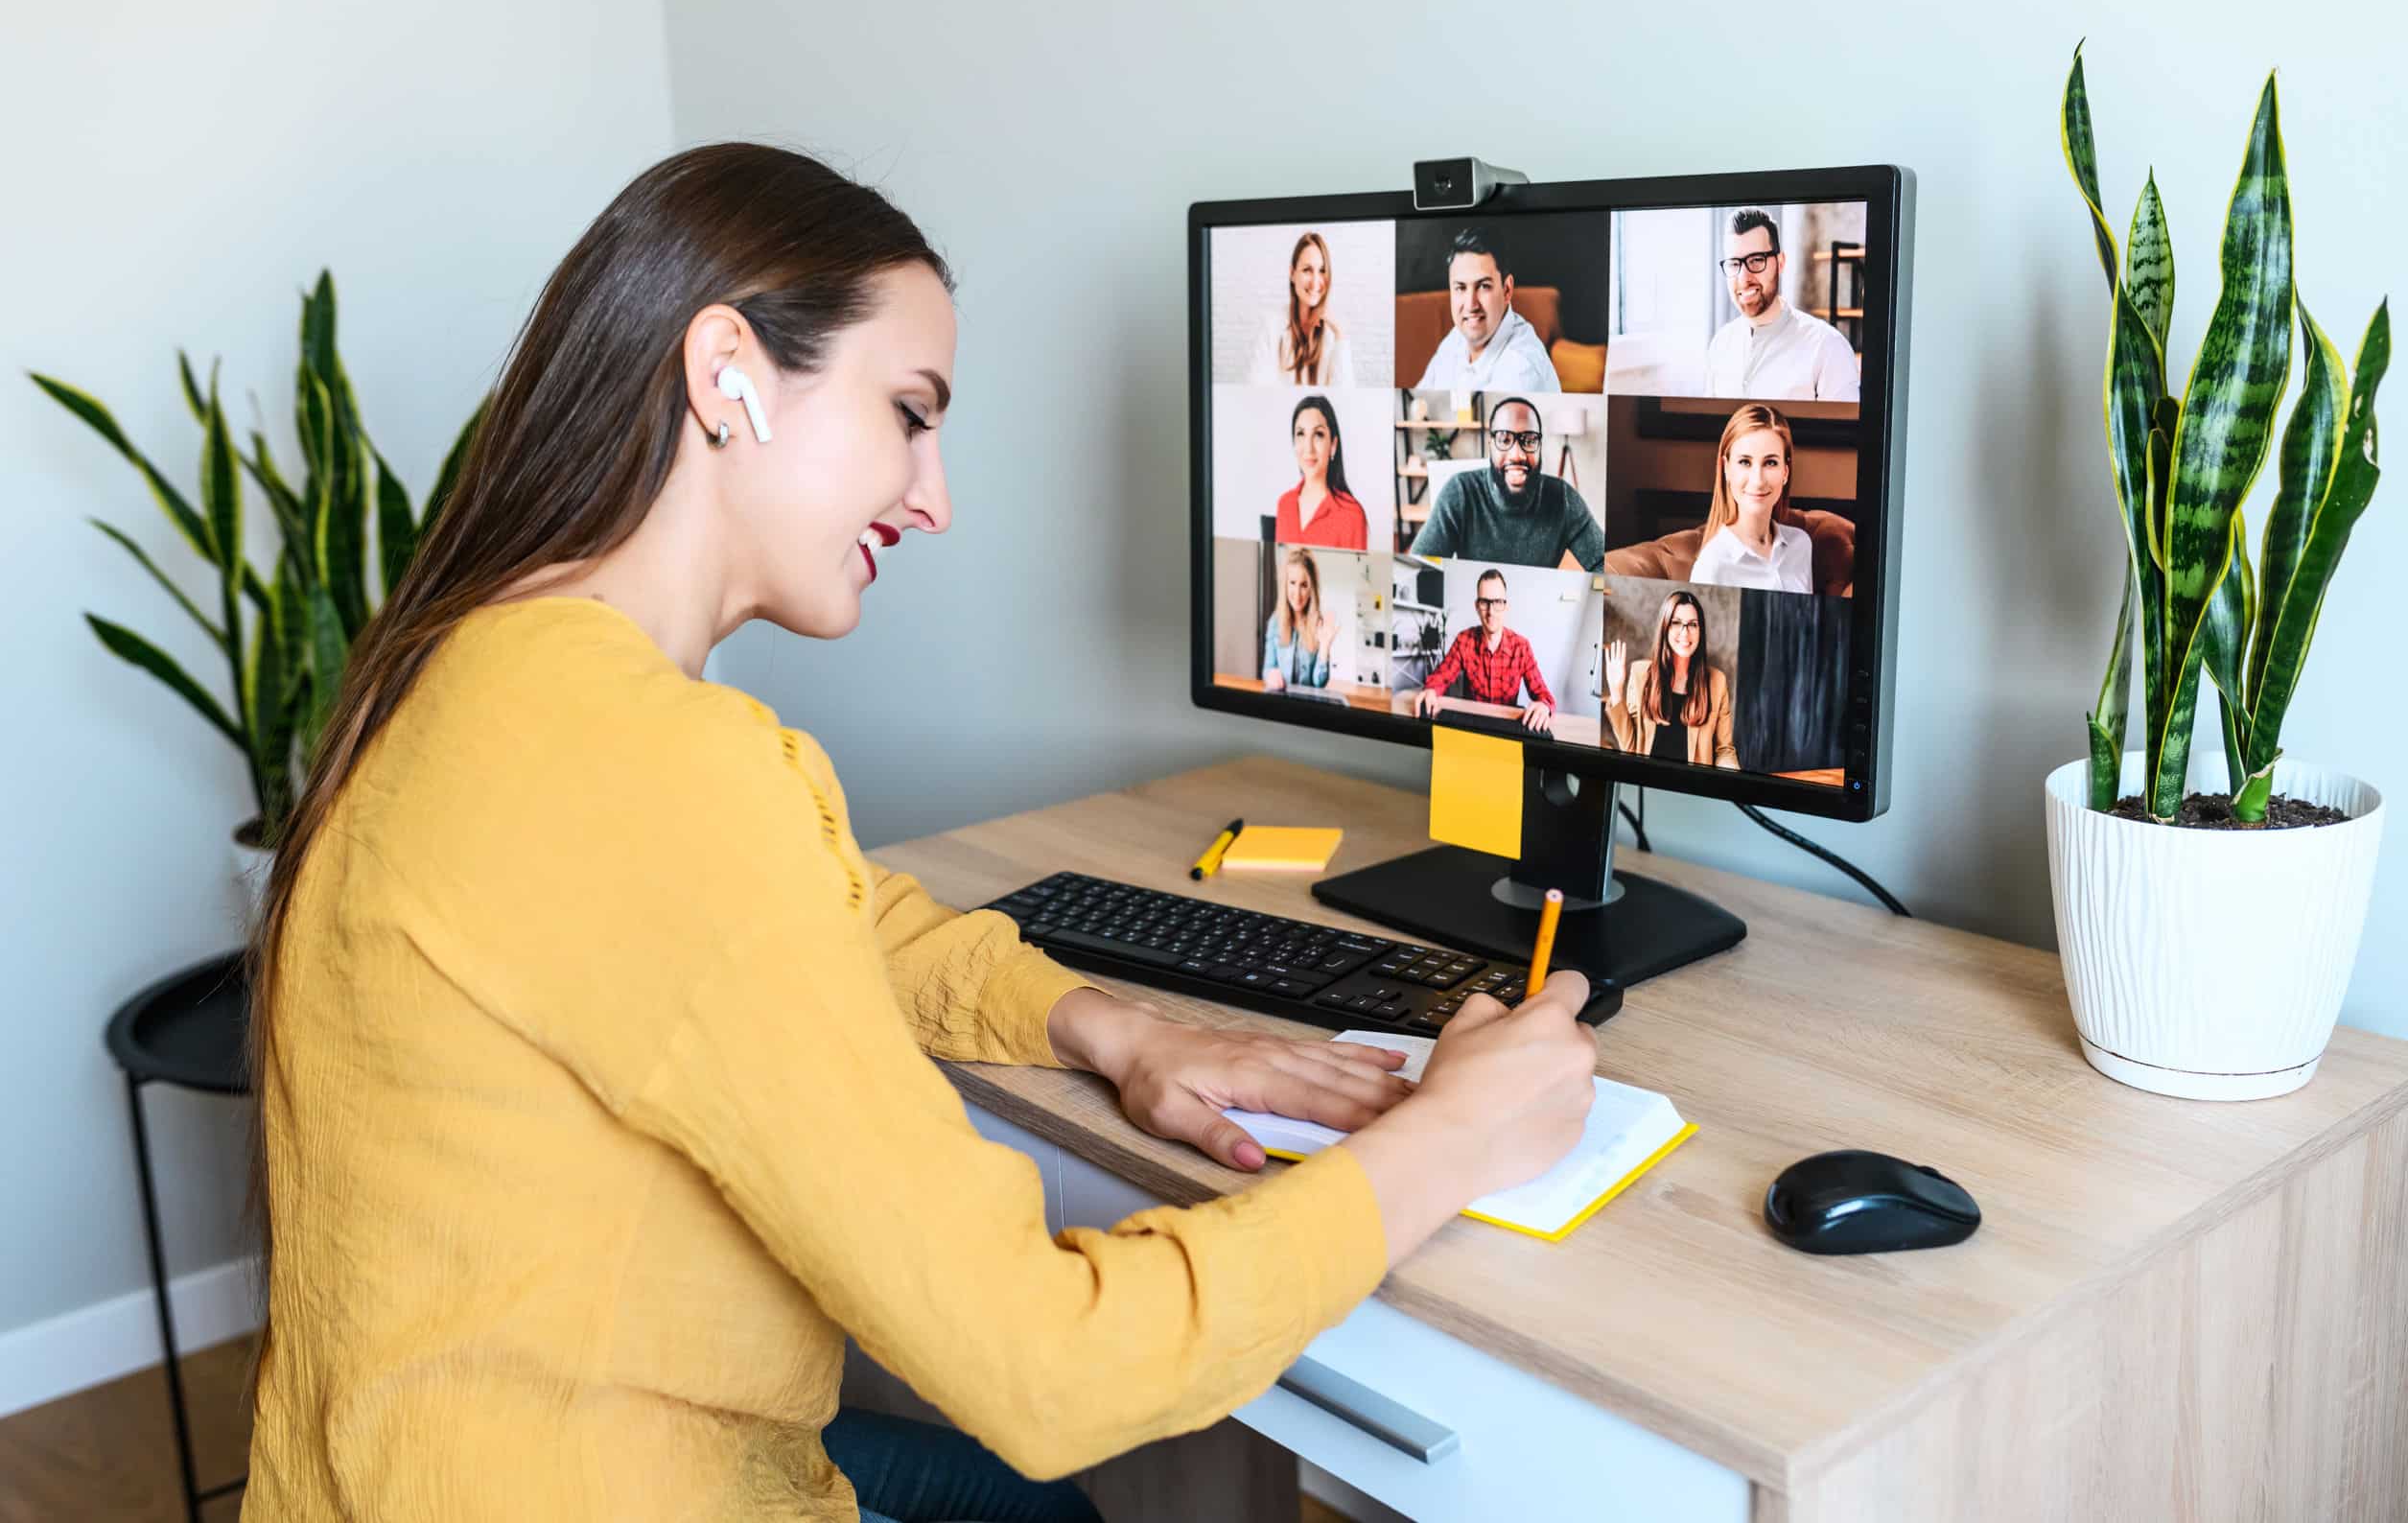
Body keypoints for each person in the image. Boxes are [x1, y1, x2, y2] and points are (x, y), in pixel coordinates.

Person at [242, 143, 1603, 1523]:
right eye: (908, 411)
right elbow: (1044, 1362)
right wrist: (1450, 1137)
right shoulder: (657, 759)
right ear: (727, 375)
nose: (934, 496)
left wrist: (1104, 1024)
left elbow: (818, 914)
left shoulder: (478, 667)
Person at [1408, 396, 1604, 570]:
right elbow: (1421, 567)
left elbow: (1603, 562)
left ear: (1540, 446)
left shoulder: (1563, 498)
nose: (1517, 454)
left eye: (1528, 440)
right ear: (1490, 446)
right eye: (1504, 439)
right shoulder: (1460, 492)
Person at [1702, 208, 1859, 401]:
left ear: (1780, 262)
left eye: (1756, 260)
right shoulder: (1720, 344)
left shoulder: (1828, 347)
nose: (1744, 278)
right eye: (1734, 264)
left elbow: (1844, 431)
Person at [1412, 229, 1561, 393]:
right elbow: (1417, 406)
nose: (1471, 305)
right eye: (1460, 287)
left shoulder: (1521, 367)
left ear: (1507, 289)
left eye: (1483, 286)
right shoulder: (1456, 339)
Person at [1687, 403, 1815, 593]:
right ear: (1726, 469)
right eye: (1745, 462)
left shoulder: (1801, 544)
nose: (1758, 480)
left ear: (1785, 472)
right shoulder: (1712, 567)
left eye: (1770, 463)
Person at [1604, 592, 1741, 767]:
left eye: (1693, 625)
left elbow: (1724, 751)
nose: (1685, 632)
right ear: (1665, 627)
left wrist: (1732, 770)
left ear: (1701, 631)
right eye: (1676, 623)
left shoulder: (1717, 682)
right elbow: (1631, 749)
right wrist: (1616, 692)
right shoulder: (1640, 674)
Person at [1412, 569, 1556, 734]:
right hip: (1471, 727)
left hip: (1506, 729)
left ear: (1505, 606)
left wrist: (1544, 706)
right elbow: (1441, 677)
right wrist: (1431, 690)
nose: (1491, 612)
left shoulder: (1521, 646)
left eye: (1498, 602)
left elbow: (1543, 694)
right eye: (1484, 602)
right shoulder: (1464, 640)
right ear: (1476, 606)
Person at [1246, 230, 1356, 386]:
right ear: (1292, 274)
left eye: (1322, 271)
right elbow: (1256, 389)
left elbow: (1345, 397)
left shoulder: (1333, 332)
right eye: (1307, 270)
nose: (1315, 282)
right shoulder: (1271, 326)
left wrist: (1341, 336)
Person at [1273, 393, 1368, 550]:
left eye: (1318, 435)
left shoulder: (1352, 514)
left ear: (1333, 446)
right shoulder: (1285, 504)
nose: (1308, 448)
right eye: (1301, 434)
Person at [1262, 547, 1337, 691]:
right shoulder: (1274, 622)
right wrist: (1271, 675)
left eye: (1303, 585)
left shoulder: (1319, 624)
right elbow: (1268, 668)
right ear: (1285, 584)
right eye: (1292, 583)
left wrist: (1324, 648)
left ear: (1311, 589)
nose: (1297, 593)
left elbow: (1319, 682)